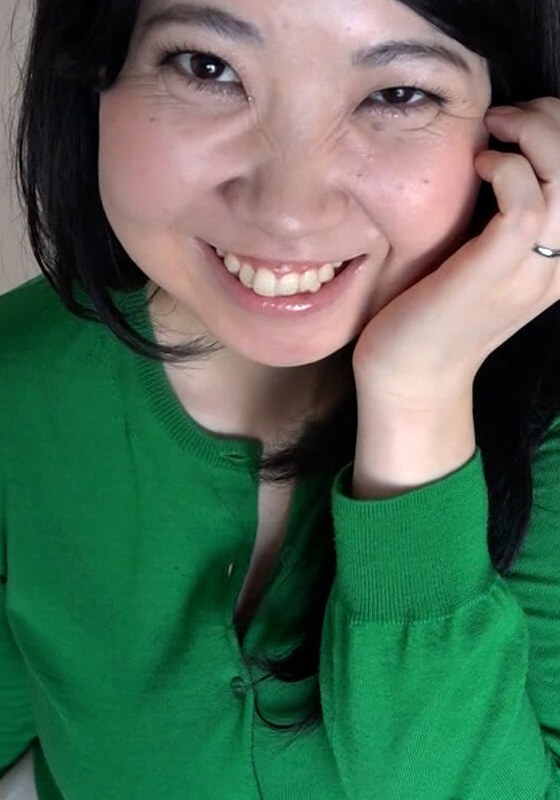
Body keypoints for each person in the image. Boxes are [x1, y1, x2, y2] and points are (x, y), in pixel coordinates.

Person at [1, 0, 560, 797]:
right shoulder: (20, 378)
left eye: (398, 94)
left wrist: (417, 398)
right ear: (96, 74)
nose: (288, 210)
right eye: (208, 68)